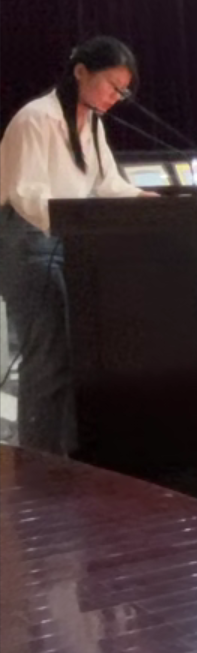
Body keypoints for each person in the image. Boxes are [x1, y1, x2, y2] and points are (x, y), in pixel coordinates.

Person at [0, 36, 152, 453]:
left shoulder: (93, 123)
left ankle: (68, 456)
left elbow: (108, 184)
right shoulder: (36, 118)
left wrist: (146, 200)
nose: (116, 97)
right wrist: (74, 222)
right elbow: (26, 194)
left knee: (76, 353)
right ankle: (39, 458)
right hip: (28, 240)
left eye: (123, 91)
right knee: (47, 355)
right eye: (112, 86)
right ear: (81, 72)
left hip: (70, 239)